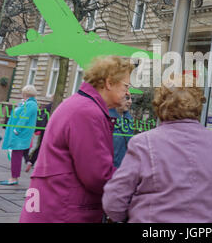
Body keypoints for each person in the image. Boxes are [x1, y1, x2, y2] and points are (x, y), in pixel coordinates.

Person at [102, 74, 212, 223]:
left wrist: (129, 215)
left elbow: (114, 200)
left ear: (159, 104)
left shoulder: (144, 143)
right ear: (198, 105)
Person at [19, 55, 134, 223]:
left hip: (55, 206)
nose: (128, 92)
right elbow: (98, 175)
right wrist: (137, 183)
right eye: (126, 85)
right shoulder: (87, 112)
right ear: (109, 83)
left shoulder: (82, 105)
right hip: (64, 212)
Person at [0, 85, 38, 186]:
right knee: (15, 156)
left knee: (16, 156)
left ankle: (14, 178)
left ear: (26, 93)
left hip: (20, 134)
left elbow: (24, 118)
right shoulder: (26, 103)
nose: (22, 94)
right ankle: (13, 177)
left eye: (23, 92)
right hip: (18, 134)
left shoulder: (31, 104)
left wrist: (17, 130)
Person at [24, 100, 52, 173]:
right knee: (42, 146)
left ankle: (31, 160)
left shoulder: (49, 105)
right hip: (48, 129)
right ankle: (31, 160)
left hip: (45, 128)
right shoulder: (54, 105)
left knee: (41, 146)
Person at [109, 94, 134, 168]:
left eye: (130, 98)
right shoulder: (107, 118)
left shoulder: (127, 118)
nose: (130, 102)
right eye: (127, 98)